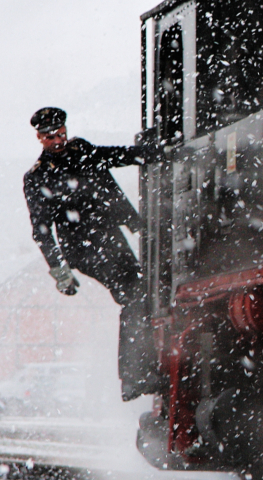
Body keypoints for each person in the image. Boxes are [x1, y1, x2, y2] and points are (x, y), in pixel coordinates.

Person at [23, 106, 163, 400]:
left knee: (147, 293)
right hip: (84, 250)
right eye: (51, 137)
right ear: (39, 137)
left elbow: (119, 156)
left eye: (61, 134)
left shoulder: (82, 149)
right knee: (134, 295)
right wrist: (60, 272)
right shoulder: (36, 178)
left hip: (112, 238)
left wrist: (158, 151)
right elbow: (42, 230)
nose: (58, 141)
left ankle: (146, 368)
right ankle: (135, 376)